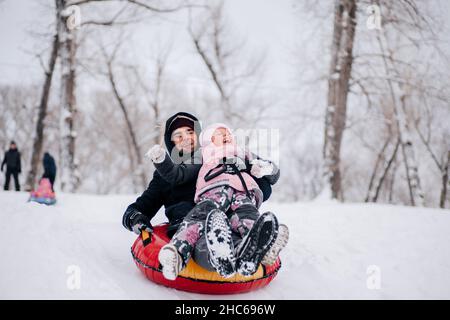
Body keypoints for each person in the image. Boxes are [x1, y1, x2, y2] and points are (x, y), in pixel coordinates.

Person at [122, 113, 279, 275]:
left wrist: (250, 168)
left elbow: (264, 190)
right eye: (178, 135)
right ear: (171, 142)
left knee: (235, 235)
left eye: (190, 132)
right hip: (188, 227)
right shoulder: (166, 175)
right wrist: (134, 217)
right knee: (206, 241)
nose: (186, 138)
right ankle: (217, 258)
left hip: (226, 224)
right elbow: (142, 206)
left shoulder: (220, 161)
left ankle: (251, 252)